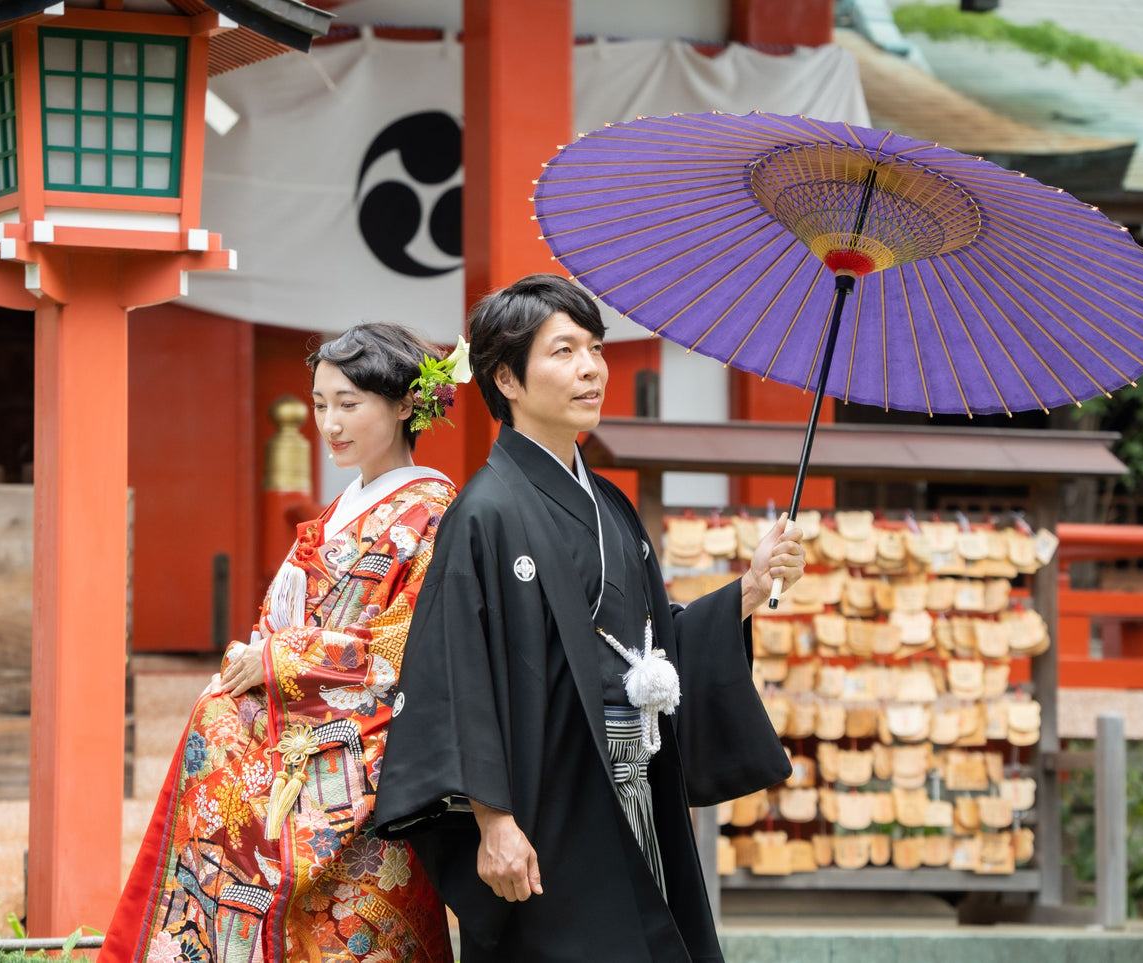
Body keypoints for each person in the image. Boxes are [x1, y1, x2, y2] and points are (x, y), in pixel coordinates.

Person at [376, 274, 805, 962]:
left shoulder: (608, 502)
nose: (590, 369)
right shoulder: (483, 512)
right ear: (506, 380)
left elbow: (647, 641)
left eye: (596, 350)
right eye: (563, 350)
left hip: (630, 788)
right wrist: (492, 821)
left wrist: (748, 591)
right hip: (546, 803)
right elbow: (455, 671)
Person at [100, 323, 468, 963]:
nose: (331, 423)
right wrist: (260, 655)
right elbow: (285, 614)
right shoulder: (342, 509)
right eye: (322, 404)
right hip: (306, 709)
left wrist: (277, 659)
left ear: (407, 403)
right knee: (217, 728)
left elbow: (405, 641)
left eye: (349, 404)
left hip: (366, 734)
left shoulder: (433, 509)